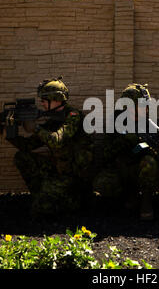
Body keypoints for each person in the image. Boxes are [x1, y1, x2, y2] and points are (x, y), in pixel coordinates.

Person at [6, 76, 94, 218]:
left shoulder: (73, 116)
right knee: (22, 158)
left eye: (44, 100)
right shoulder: (53, 119)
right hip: (58, 170)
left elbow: (57, 141)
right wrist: (9, 131)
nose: (41, 103)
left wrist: (35, 128)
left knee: (40, 209)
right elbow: (28, 146)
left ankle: (72, 201)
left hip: (74, 177)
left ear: (56, 99)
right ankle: (44, 195)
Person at [93, 83, 159, 221]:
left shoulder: (152, 123)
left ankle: (145, 202)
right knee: (103, 183)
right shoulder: (117, 121)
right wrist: (126, 139)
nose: (146, 108)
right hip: (122, 167)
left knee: (150, 163)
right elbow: (107, 152)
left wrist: (147, 147)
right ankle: (128, 196)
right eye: (142, 105)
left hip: (141, 168)